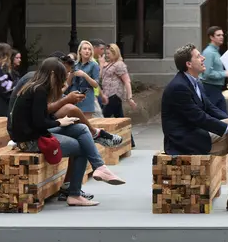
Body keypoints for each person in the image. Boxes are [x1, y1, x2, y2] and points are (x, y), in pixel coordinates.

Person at [161, 44, 228, 211]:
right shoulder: (179, 87)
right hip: (184, 141)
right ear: (188, 64)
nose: (203, 58)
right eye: (198, 56)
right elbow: (200, 117)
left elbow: (210, 109)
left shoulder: (195, 82)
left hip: (196, 133)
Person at [8, 57, 125, 207]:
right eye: (61, 78)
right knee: (82, 146)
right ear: (52, 75)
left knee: (81, 129)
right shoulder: (39, 90)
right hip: (30, 140)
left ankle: (100, 167)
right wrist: (59, 122)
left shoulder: (37, 87)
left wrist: (59, 121)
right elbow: (39, 122)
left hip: (36, 132)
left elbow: (40, 117)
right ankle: (74, 194)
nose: (63, 83)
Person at [200, 26, 228, 115]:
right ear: (211, 37)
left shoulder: (216, 51)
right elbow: (206, 74)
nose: (222, 37)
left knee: (222, 117)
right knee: (220, 117)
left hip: (216, 88)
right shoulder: (209, 52)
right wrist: (224, 73)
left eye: (222, 35)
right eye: (218, 35)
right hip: (210, 88)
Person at [100, 43, 137, 118]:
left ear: (115, 53)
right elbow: (100, 77)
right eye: (106, 53)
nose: (107, 55)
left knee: (104, 117)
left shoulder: (119, 64)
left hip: (114, 95)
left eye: (108, 53)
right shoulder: (109, 64)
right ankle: (124, 128)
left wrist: (129, 98)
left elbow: (127, 81)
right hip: (107, 95)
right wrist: (101, 64)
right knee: (119, 116)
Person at [69, 40, 100, 118]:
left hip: (87, 96)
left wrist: (84, 75)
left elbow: (96, 84)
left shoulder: (94, 65)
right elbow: (68, 84)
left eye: (89, 49)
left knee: (86, 124)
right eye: (85, 49)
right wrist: (71, 75)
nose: (87, 51)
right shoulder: (75, 64)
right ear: (80, 51)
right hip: (74, 95)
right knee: (74, 123)